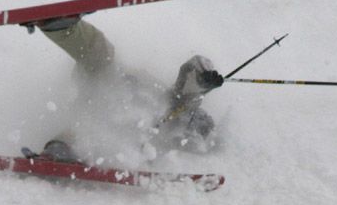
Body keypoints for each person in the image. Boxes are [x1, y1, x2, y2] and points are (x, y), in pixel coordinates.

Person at [25, 15, 224, 163]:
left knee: (92, 128)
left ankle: (58, 151)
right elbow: (190, 77)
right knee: (101, 53)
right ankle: (60, 26)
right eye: (189, 129)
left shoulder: (157, 139)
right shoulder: (174, 103)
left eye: (186, 138)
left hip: (98, 109)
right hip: (111, 79)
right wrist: (204, 76)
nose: (183, 135)